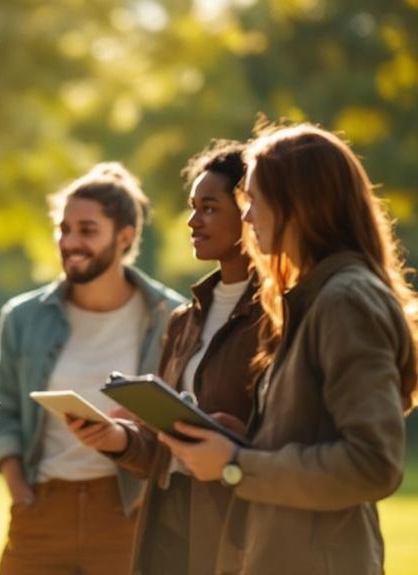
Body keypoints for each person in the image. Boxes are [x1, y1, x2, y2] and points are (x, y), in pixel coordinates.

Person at [159, 124, 417, 575]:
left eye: (254, 200)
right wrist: (243, 439)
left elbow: (373, 464)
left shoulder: (345, 301)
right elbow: (313, 437)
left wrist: (237, 463)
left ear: (298, 203)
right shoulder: (313, 297)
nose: (247, 216)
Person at [0, 163, 185, 575]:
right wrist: (19, 489)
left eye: (87, 230)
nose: (70, 241)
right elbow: (0, 408)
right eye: (64, 228)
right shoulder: (22, 317)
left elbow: (180, 417)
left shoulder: (172, 318)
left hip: (128, 512)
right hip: (40, 511)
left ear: (124, 237)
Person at [74, 141, 262, 575]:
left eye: (210, 208)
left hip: (234, 525)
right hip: (167, 518)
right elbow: (165, 445)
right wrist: (117, 438)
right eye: (193, 207)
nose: (193, 221)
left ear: (250, 210)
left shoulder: (279, 314)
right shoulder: (184, 319)